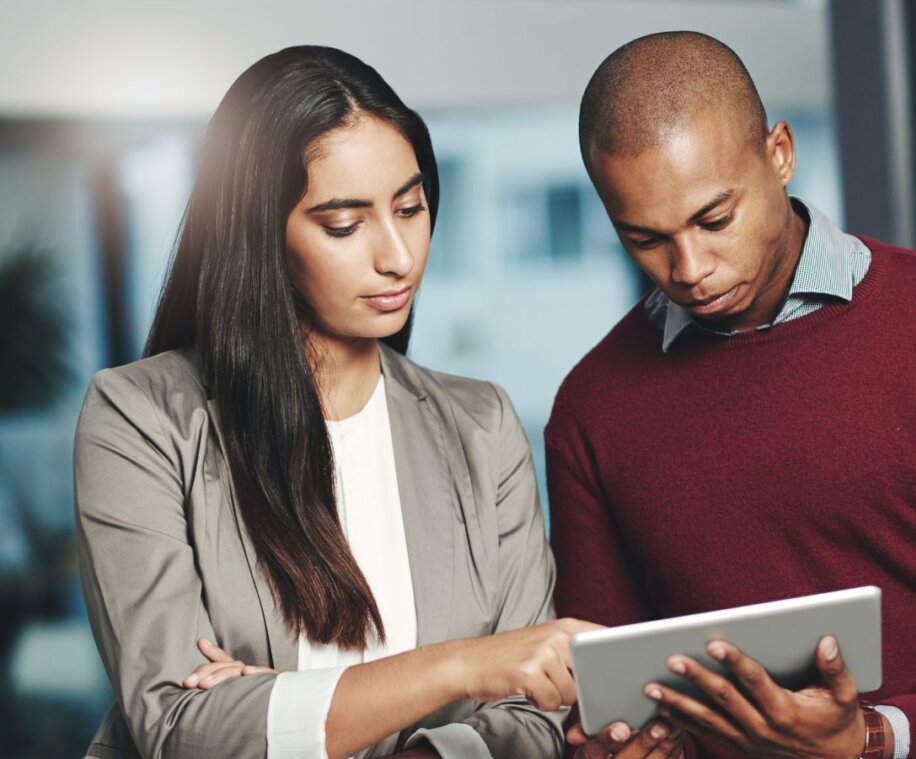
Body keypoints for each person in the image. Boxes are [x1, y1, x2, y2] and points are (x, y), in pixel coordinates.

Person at [74, 46, 594, 759]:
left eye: (411, 207)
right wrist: (466, 663)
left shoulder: (482, 426)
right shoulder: (140, 418)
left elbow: (526, 721)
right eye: (345, 225)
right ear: (262, 235)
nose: (398, 256)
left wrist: (281, 715)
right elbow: (179, 728)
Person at [546, 31, 916, 759]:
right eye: (644, 238)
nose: (690, 267)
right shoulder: (591, 409)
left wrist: (871, 737)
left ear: (780, 154)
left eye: (715, 219)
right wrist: (617, 745)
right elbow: (607, 684)